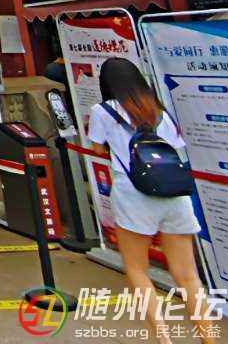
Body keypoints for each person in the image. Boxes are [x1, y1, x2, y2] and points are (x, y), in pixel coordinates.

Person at [86, 58, 208, 341]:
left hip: (134, 195)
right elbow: (176, 148)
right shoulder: (158, 110)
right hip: (174, 194)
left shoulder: (103, 111)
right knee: (188, 275)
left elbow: (97, 149)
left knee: (137, 270)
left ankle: (164, 338)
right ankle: (209, 339)